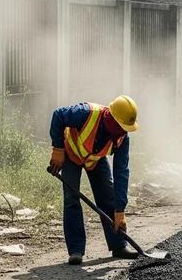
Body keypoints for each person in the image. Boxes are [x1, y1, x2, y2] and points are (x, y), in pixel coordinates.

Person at [48, 95, 140, 265]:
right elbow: (58, 115)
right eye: (122, 126)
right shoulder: (86, 113)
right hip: (71, 153)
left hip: (95, 160)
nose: (124, 131)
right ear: (111, 119)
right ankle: (76, 249)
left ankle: (118, 245)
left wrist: (120, 210)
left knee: (108, 196)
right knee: (71, 199)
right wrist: (58, 149)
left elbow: (121, 172)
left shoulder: (122, 137)